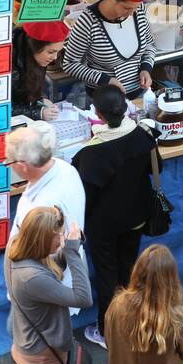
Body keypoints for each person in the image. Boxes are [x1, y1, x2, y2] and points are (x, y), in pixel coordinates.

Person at [72, 84, 160, 348]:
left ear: (97, 114)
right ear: (125, 108)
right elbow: (157, 166)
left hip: (104, 226)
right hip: (136, 216)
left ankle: (108, 330)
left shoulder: (91, 153)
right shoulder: (144, 136)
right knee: (129, 268)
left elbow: (86, 195)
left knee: (107, 275)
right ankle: (132, 320)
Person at [3, 207, 92, 364]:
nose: (62, 239)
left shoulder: (14, 249)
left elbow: (50, 269)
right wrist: (73, 252)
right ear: (42, 240)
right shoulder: (33, 278)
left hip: (26, 357)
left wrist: (71, 247)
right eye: (58, 236)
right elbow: (84, 298)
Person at [7, 123, 88, 308]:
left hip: (40, 298)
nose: (8, 166)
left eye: (9, 162)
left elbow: (41, 257)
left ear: (23, 165)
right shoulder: (62, 167)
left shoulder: (42, 209)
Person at [62, 0, 156, 99]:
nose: (131, 14)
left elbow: (150, 44)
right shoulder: (88, 21)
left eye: (136, 8)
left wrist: (146, 68)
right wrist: (105, 80)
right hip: (104, 99)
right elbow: (70, 64)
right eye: (126, 8)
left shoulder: (138, 11)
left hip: (138, 94)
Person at [12, 21, 68, 121]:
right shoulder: (9, 64)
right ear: (34, 47)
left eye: (58, 51)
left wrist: (41, 99)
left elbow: (33, 81)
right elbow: (1, 108)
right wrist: (38, 113)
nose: (55, 57)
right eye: (51, 52)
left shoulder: (36, 58)